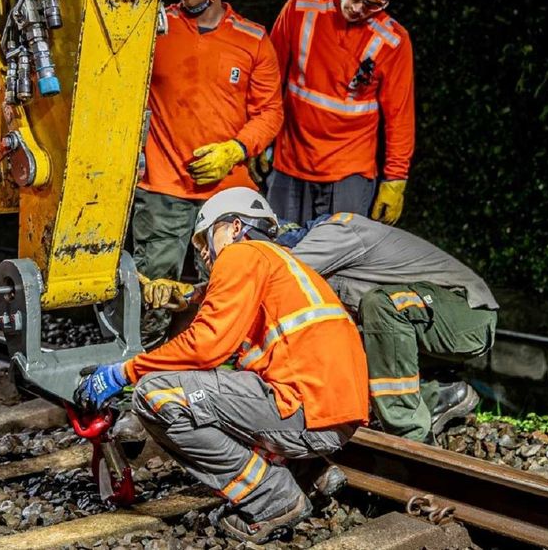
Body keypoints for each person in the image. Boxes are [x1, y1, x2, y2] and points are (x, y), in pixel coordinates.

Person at [78, 188, 367, 544]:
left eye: (206, 237)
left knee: (155, 396)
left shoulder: (241, 254)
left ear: (233, 227)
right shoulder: (281, 262)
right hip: (330, 413)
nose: (201, 249)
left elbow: (205, 346)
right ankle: (308, 471)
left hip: (304, 410)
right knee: (213, 390)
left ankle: (272, 498)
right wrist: (193, 294)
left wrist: (122, 373)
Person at [142, 209, 498, 445]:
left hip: (466, 314)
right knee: (343, 340)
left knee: (382, 306)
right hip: (425, 321)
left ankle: (410, 434)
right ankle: (440, 394)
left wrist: (193, 295)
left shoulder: (337, 231)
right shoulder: (307, 252)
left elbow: (270, 275)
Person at [132, 0, 282, 343]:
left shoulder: (253, 40)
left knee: (227, 291)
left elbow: (270, 112)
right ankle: (144, 377)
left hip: (227, 191)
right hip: (161, 188)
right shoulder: (151, 28)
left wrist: (236, 150)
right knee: (152, 294)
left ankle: (220, 374)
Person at [264, 0, 415, 225]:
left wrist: (395, 180)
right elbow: (267, 83)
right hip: (290, 163)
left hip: (349, 173)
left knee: (340, 264)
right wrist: (258, 140)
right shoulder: (299, 10)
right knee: (278, 255)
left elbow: (400, 118)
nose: (358, 9)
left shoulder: (393, 42)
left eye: (371, 6)